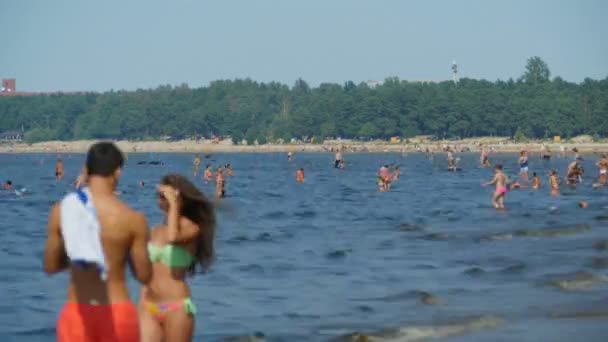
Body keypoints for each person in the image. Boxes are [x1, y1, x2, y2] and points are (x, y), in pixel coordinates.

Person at [44, 142, 152, 342]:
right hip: (117, 311)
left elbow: (50, 266)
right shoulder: (133, 219)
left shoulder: (61, 211)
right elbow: (144, 275)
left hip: (78, 312)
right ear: (117, 172)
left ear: (86, 170)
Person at [139, 174, 216, 342]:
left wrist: (174, 203)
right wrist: (141, 303)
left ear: (179, 198)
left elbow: (173, 237)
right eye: (159, 196)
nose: (160, 199)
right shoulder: (154, 230)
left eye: (164, 196)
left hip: (177, 307)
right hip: (149, 307)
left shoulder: (192, 228)